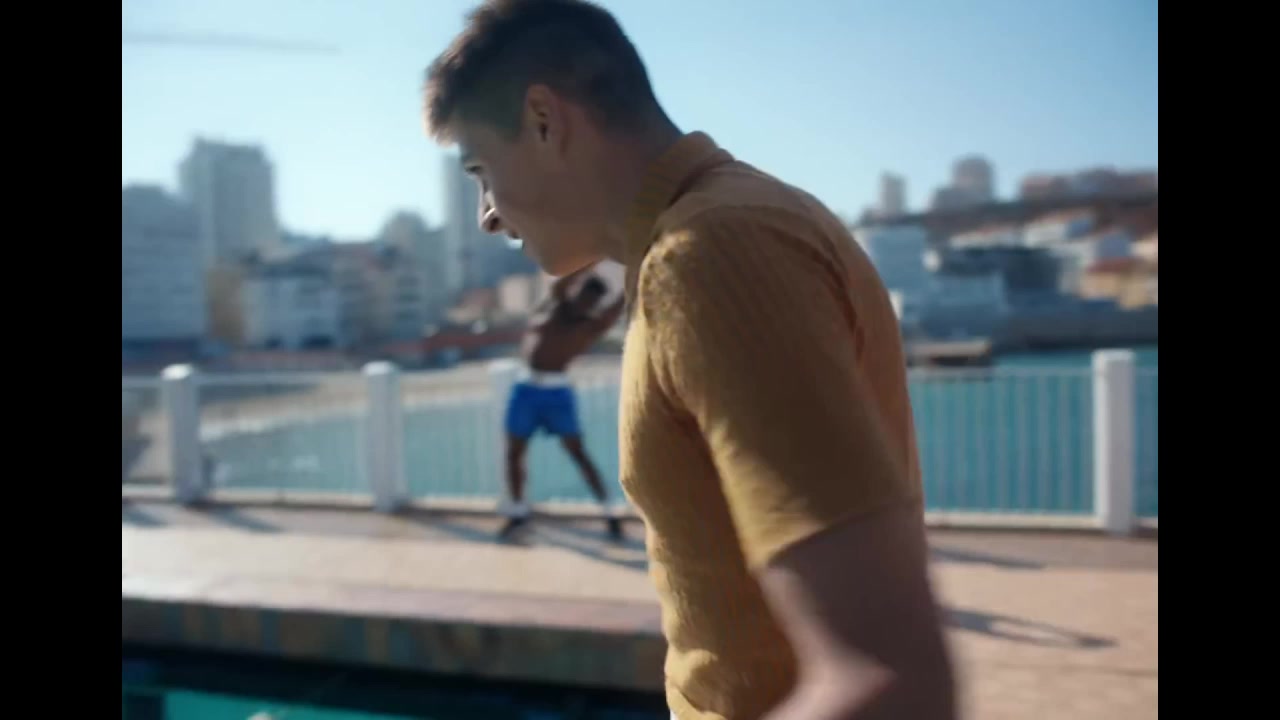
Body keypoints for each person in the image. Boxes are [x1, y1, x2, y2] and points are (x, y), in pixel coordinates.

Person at [422, 2, 958, 718]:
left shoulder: (713, 250)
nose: (487, 214)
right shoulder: (716, 230)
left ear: (545, 120)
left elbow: (892, 681)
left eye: (482, 170)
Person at [500, 267, 626, 540]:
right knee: (514, 452)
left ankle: (610, 512)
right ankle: (518, 514)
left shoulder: (591, 326)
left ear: (594, 304)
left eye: (588, 299)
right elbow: (559, 285)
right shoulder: (559, 307)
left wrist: (634, 273)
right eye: (580, 294)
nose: (581, 301)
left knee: (578, 453)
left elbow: (619, 305)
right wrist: (588, 261)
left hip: (556, 393)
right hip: (526, 388)